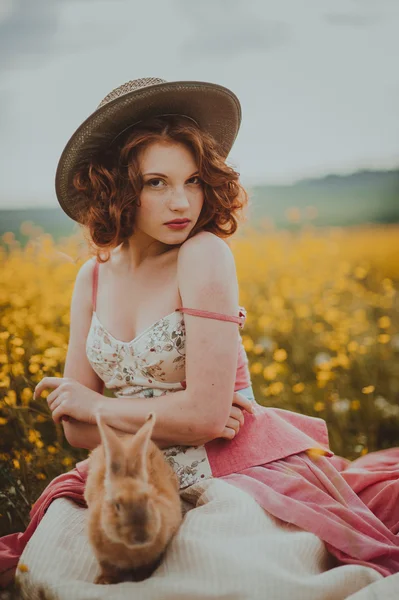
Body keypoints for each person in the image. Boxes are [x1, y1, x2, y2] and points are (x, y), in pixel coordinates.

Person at [1, 77, 398, 599]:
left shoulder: (203, 254)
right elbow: (76, 432)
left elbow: (207, 420)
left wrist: (100, 405)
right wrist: (170, 414)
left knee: (212, 578)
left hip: (232, 474)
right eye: (156, 183)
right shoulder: (91, 279)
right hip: (129, 481)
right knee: (51, 573)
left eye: (192, 181)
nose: (181, 202)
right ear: (116, 187)